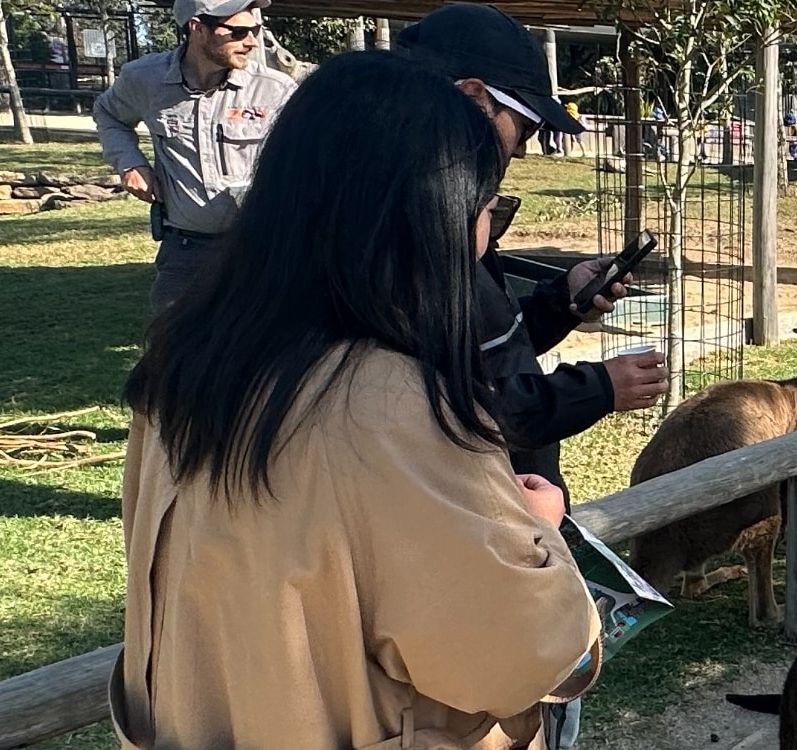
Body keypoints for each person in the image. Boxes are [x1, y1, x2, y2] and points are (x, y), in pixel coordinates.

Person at [113, 51, 600, 748]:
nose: (486, 234)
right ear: (428, 216)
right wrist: (535, 530)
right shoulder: (388, 408)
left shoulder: (181, 365)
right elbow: (517, 658)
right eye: (490, 208)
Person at [398, 2, 670, 493]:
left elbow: (489, 349)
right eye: (524, 127)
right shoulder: (409, 227)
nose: (522, 149)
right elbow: (469, 407)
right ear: (476, 98)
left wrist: (561, 301)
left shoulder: (435, 202)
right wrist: (600, 388)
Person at [93, 0, 297, 311]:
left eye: (254, 29)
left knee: (264, 356)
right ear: (197, 28)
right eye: (239, 31)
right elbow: (108, 113)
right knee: (172, 353)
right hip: (185, 253)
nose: (252, 41)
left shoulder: (275, 89)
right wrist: (130, 163)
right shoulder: (144, 79)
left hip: (262, 252)